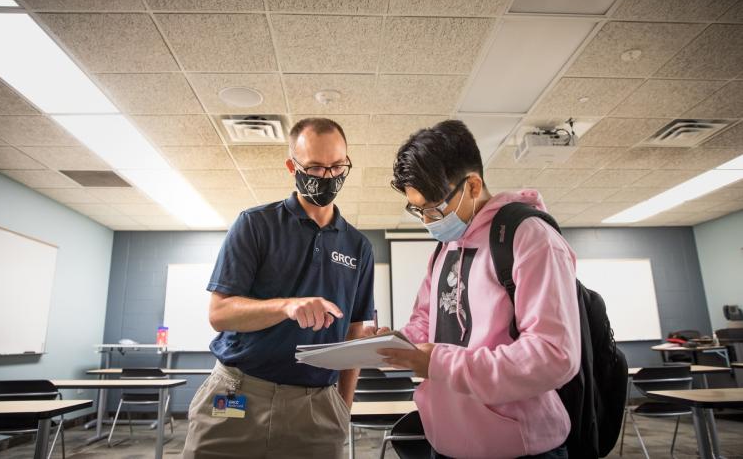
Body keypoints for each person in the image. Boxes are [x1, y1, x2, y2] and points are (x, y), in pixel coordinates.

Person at [378, 120, 580, 459]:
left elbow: (553, 356)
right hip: (446, 442)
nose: (427, 220)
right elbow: (426, 323)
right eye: (418, 210)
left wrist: (439, 364)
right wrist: (393, 344)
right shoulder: (444, 249)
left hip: (517, 448)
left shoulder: (529, 237)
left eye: (434, 208)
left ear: (472, 186)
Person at [182, 118, 375, 459]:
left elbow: (354, 332)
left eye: (337, 166)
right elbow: (220, 313)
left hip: (317, 406)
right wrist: (285, 307)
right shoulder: (255, 225)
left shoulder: (359, 247)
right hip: (239, 395)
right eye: (315, 167)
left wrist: (342, 408)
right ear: (292, 166)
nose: (327, 176)